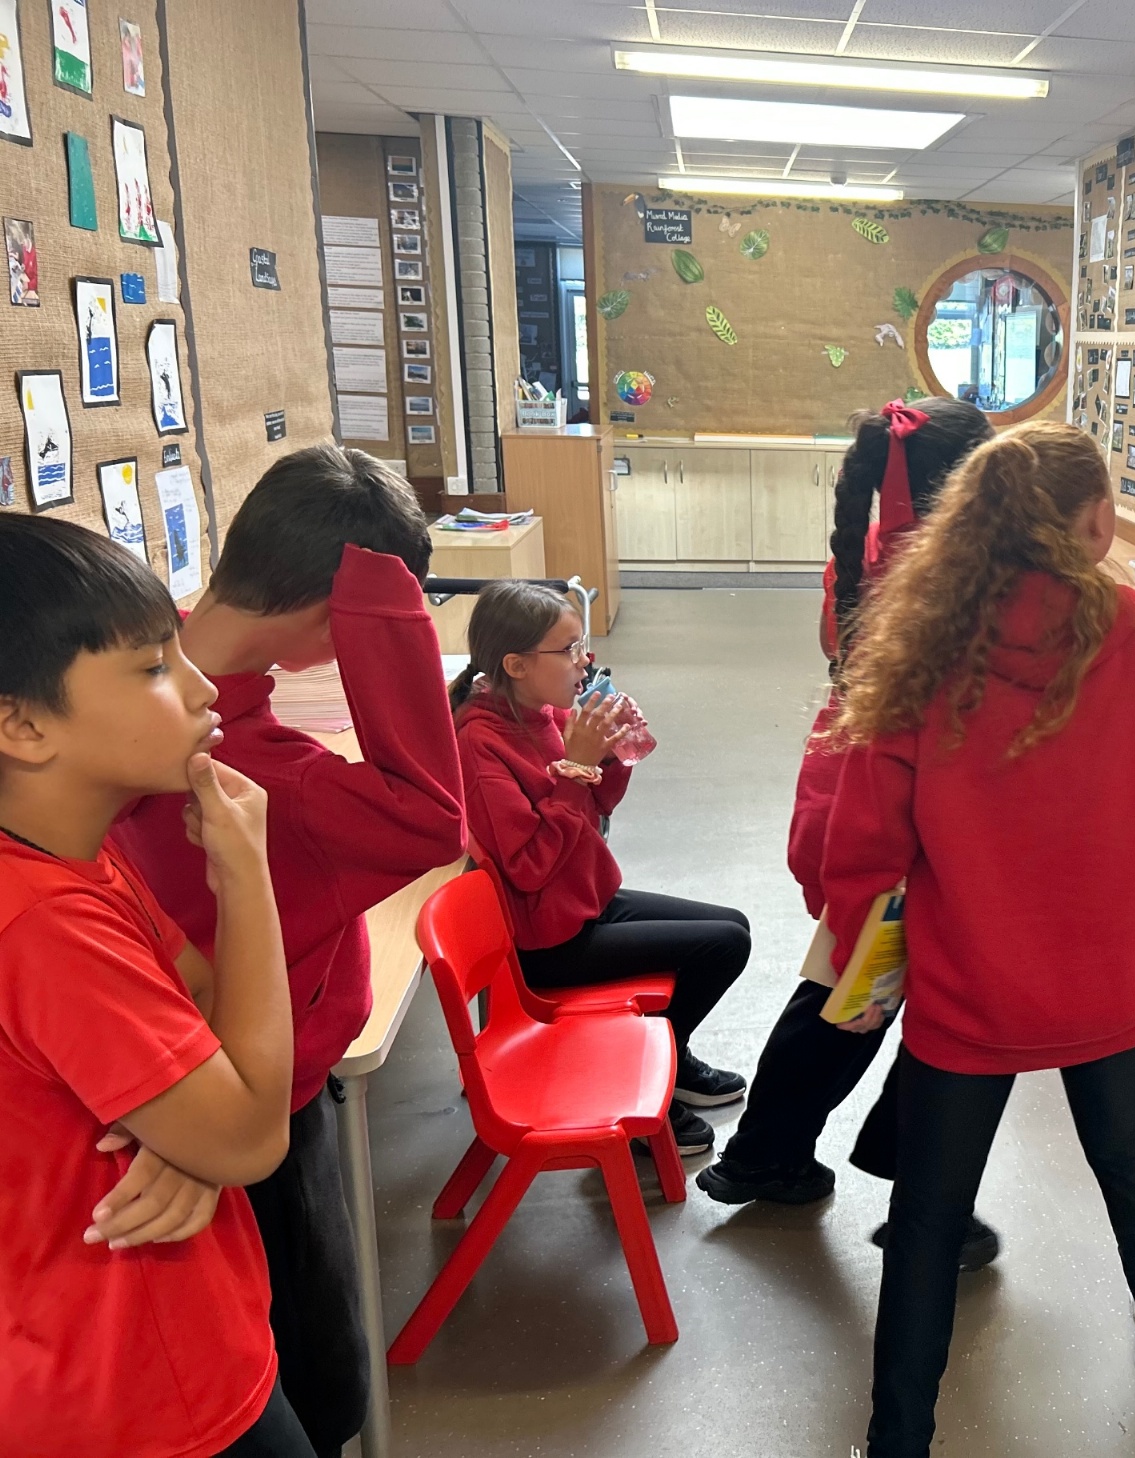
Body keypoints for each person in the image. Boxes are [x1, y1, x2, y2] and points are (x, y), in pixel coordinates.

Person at [820, 420, 1135, 1454]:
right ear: (1097, 525)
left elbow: (863, 850)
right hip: (1109, 979)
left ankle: (900, 1438)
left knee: (928, 1217)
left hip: (968, 988)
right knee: (1125, 1148)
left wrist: (863, 967)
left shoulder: (918, 657)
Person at [114, 445, 467, 1458]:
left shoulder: (138, 690)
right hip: (269, 1098)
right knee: (317, 1377)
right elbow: (433, 822)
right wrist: (386, 618)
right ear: (337, 618)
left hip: (164, 1088)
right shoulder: (267, 775)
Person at [0, 515, 312, 1456]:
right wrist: (244, 873)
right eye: (151, 667)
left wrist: (190, 1141)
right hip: (138, 1390)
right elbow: (252, 1134)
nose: (201, 686)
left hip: (148, 1353)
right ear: (22, 725)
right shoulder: (44, 920)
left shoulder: (71, 856)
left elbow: (200, 997)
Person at [698, 399, 1004, 1271]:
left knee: (846, 988)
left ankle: (766, 1154)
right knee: (945, 1015)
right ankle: (925, 1201)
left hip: (846, 798)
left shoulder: (869, 553)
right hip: (908, 820)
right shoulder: (963, 580)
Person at [451, 581, 749, 1157]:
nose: (584, 659)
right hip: (549, 939)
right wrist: (575, 766)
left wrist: (610, 755)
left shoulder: (544, 713)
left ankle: (670, 1057)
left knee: (733, 926)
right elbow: (530, 867)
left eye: (581, 643)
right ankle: (644, 1091)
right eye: (567, 649)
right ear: (515, 665)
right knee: (722, 946)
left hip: (584, 899)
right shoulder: (480, 744)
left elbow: (598, 807)